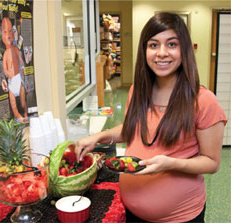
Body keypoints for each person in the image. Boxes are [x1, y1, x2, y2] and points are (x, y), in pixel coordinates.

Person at [76, 12, 227, 222]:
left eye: (172, 44)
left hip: (179, 217)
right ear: (144, 50)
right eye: (153, 45)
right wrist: (97, 137)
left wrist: (170, 163)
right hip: (133, 212)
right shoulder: (138, 90)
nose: (161, 53)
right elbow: (131, 129)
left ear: (184, 49)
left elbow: (211, 163)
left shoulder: (203, 100)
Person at [1, 17, 28, 122]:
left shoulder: (15, 50)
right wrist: (6, 72)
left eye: (10, 31)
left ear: (13, 33)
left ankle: (25, 114)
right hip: (11, 83)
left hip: (18, 79)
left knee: (23, 102)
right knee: (13, 104)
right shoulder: (5, 53)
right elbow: (4, 67)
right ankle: (18, 116)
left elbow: (21, 62)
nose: (8, 35)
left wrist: (23, 73)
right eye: (5, 32)